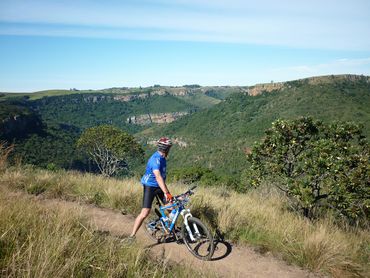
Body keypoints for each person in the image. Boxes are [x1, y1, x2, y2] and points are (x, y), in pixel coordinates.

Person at [128, 137, 173, 240]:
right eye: (169, 147)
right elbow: (158, 177)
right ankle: (132, 236)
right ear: (166, 148)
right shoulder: (155, 159)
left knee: (171, 208)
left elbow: (161, 179)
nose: (170, 149)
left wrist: (166, 192)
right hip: (150, 187)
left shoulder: (163, 158)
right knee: (145, 213)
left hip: (160, 186)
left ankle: (169, 228)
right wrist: (166, 192)